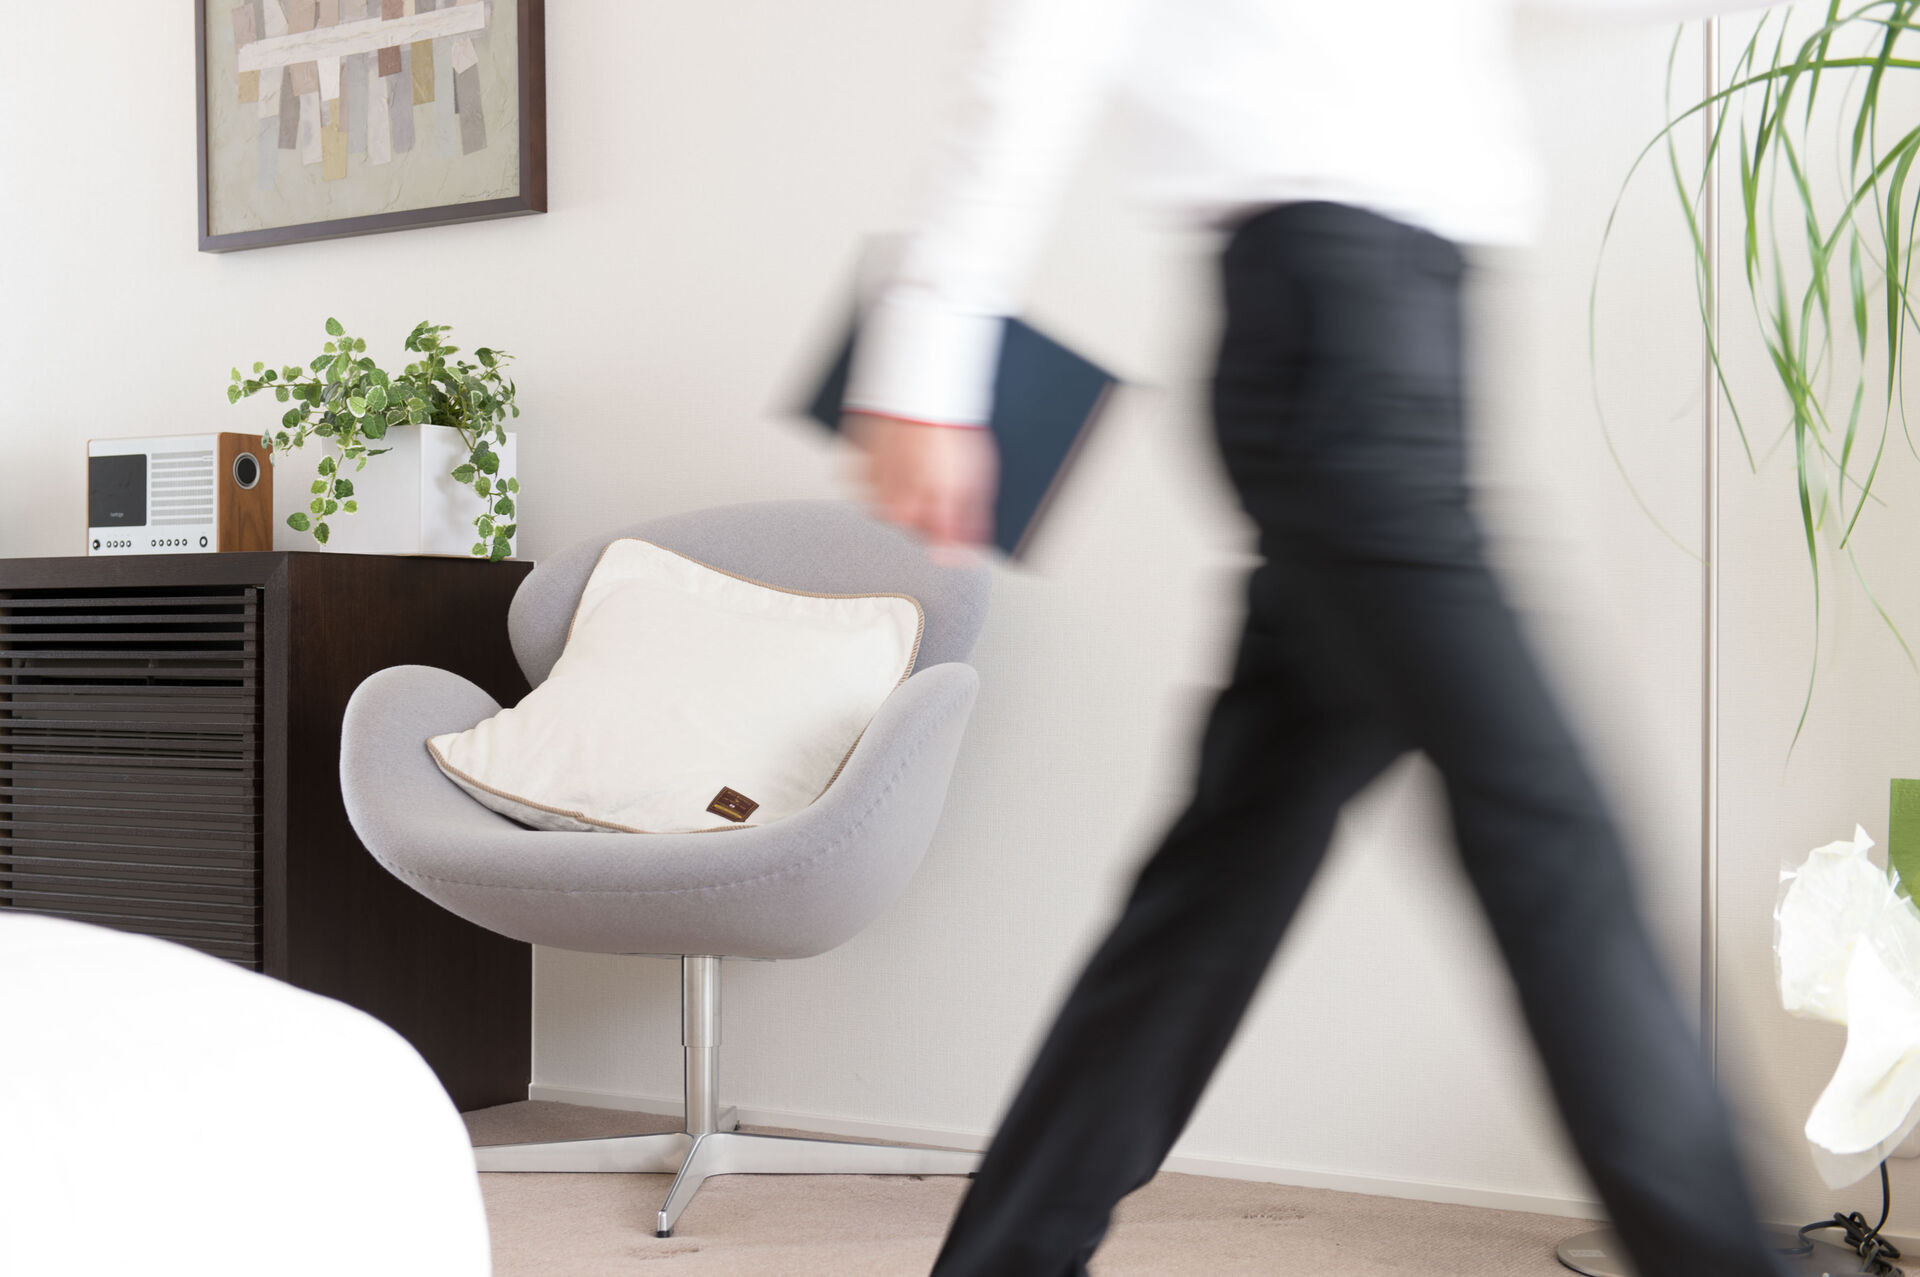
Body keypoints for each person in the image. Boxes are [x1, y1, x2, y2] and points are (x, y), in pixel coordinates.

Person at [841, 2, 1790, 1275]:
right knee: (1549, 831)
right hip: (1337, 350)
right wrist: (927, 359)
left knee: (1220, 883)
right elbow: (1039, 40)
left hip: (1398, 351)